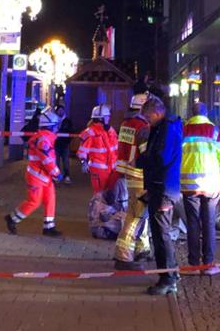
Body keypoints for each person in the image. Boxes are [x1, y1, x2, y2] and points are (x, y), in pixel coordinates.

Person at [136, 95, 183, 296]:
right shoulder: (165, 127)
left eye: (148, 118)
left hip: (163, 188)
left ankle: (168, 278)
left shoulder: (167, 129)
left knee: (161, 234)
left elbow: (161, 157)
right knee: (160, 233)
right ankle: (170, 273)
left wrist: (142, 159)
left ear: (157, 113)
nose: (147, 122)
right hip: (162, 186)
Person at [180, 103, 220, 276]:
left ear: (191, 114)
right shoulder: (215, 132)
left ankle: (193, 264)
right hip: (211, 185)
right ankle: (208, 263)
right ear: (206, 113)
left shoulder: (183, 131)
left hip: (188, 185)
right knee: (209, 223)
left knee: (192, 224)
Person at [5, 108, 63, 236]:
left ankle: (49, 227)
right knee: (34, 201)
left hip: (43, 175)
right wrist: (57, 173)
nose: (57, 129)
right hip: (37, 176)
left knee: (50, 199)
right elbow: (47, 159)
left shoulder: (45, 138)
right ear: (50, 126)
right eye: (55, 126)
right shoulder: (43, 140)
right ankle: (12, 218)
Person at [112, 92, 152, 270]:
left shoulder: (125, 123)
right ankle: (123, 255)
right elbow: (146, 154)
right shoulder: (143, 126)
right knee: (136, 215)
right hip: (139, 174)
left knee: (139, 212)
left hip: (128, 173)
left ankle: (142, 248)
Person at [78, 105, 118, 194]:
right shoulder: (90, 132)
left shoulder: (110, 130)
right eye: (107, 116)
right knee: (100, 196)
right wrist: (83, 163)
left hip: (112, 169)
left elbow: (116, 148)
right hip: (99, 171)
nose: (109, 118)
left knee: (110, 197)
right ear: (101, 118)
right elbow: (82, 151)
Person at [55, 106, 73, 184]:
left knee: (66, 161)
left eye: (62, 110)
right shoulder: (54, 121)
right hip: (56, 144)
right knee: (56, 161)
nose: (60, 112)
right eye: (59, 110)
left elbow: (71, 131)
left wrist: (68, 141)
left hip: (65, 144)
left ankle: (67, 176)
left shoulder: (67, 121)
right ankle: (57, 176)